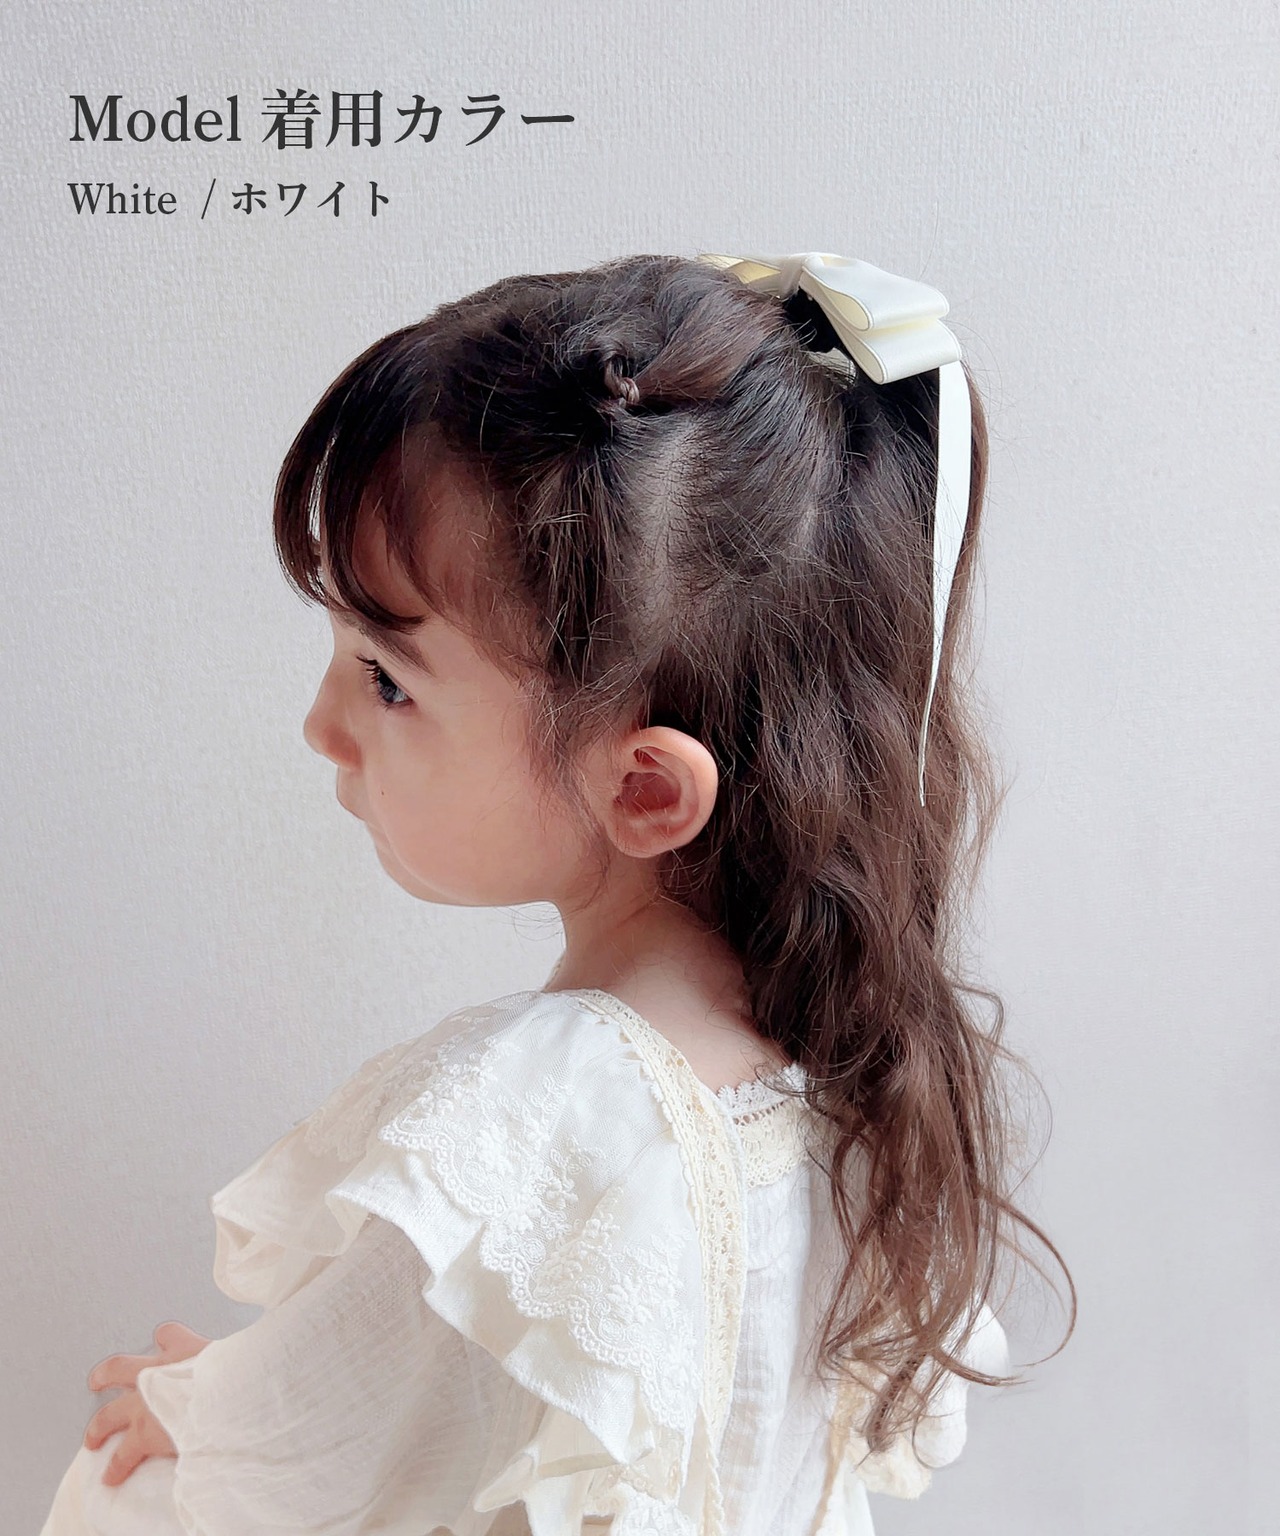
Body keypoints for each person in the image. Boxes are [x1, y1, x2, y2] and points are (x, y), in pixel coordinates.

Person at [38, 249, 1072, 1536]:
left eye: (386, 679)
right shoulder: (848, 1070)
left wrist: (202, 1422)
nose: (321, 726)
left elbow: (306, 1452)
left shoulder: (542, 1113)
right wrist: (250, 1404)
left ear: (642, 789)